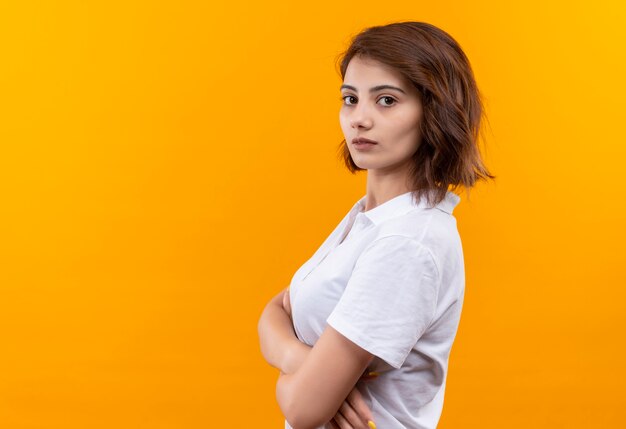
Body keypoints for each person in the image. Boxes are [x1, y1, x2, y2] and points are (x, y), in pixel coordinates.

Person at [258, 21, 495, 429]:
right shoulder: (369, 219)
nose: (359, 119)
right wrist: (301, 360)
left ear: (434, 111)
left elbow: (301, 409)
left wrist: (294, 378)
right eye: (350, 99)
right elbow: (274, 311)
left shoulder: (407, 241)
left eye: (386, 100)